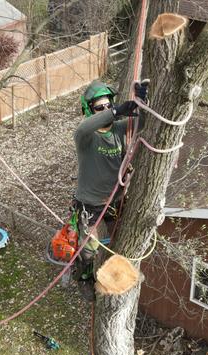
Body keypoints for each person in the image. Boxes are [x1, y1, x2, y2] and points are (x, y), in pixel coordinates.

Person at [72, 79, 149, 300]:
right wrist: (116, 111)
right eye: (100, 108)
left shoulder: (120, 130)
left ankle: (121, 273)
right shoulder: (86, 137)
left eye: (108, 105)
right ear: (89, 110)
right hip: (91, 204)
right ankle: (85, 279)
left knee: (124, 238)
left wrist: (142, 102)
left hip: (116, 200)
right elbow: (83, 127)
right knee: (88, 249)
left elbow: (142, 122)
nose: (105, 110)